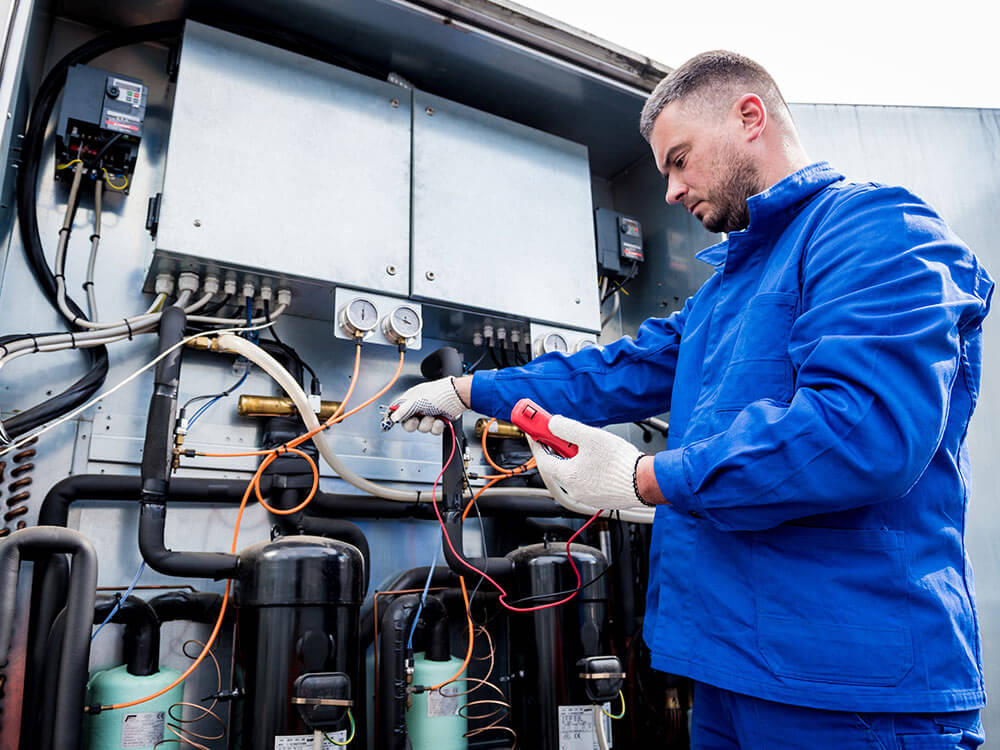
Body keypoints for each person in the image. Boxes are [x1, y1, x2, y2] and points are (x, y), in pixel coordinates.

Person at [386, 51, 993, 748]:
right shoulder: (723, 296)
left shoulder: (875, 229)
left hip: (851, 688)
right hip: (729, 673)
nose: (670, 190)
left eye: (678, 160)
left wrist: (643, 480)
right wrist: (469, 390)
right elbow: (615, 370)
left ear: (748, 117)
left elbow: (860, 431)